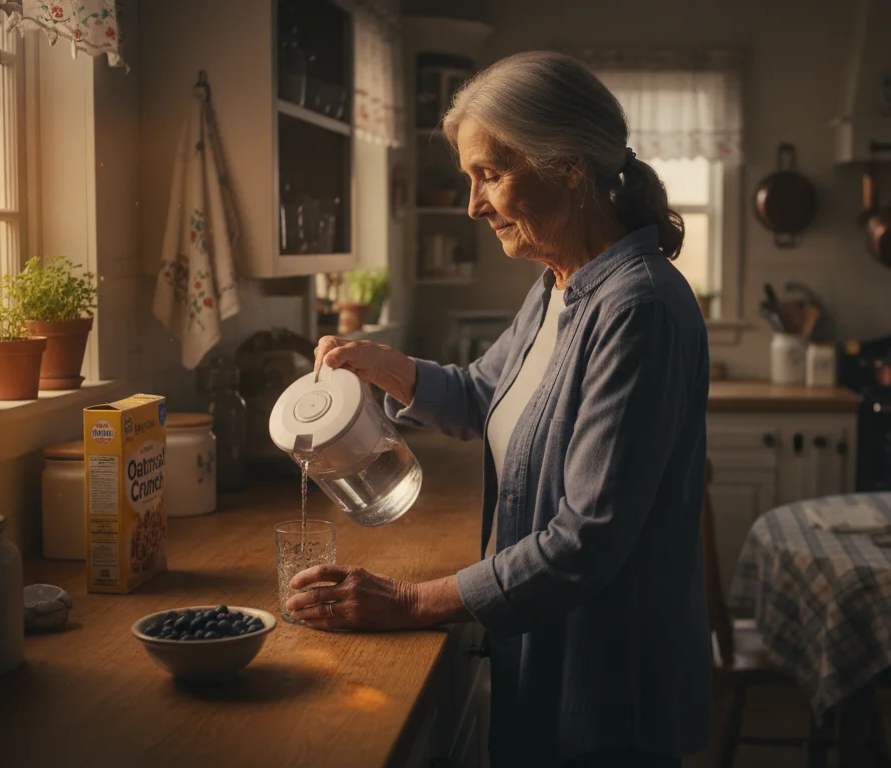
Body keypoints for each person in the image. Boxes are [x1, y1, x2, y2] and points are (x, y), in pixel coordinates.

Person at [288, 50, 712, 768]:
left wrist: (410, 601)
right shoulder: (560, 282)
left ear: (570, 166)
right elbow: (485, 394)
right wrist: (383, 366)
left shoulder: (637, 307)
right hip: (549, 657)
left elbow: (587, 539)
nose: (474, 204)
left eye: (489, 174)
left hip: (609, 688)